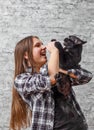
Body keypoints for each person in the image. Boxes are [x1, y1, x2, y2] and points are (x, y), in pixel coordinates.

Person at [9, 35, 92, 130]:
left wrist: (64, 68)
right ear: (26, 55)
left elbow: (86, 77)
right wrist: (55, 51)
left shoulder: (55, 69)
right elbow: (52, 78)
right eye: (37, 45)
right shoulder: (21, 80)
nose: (44, 47)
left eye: (42, 44)